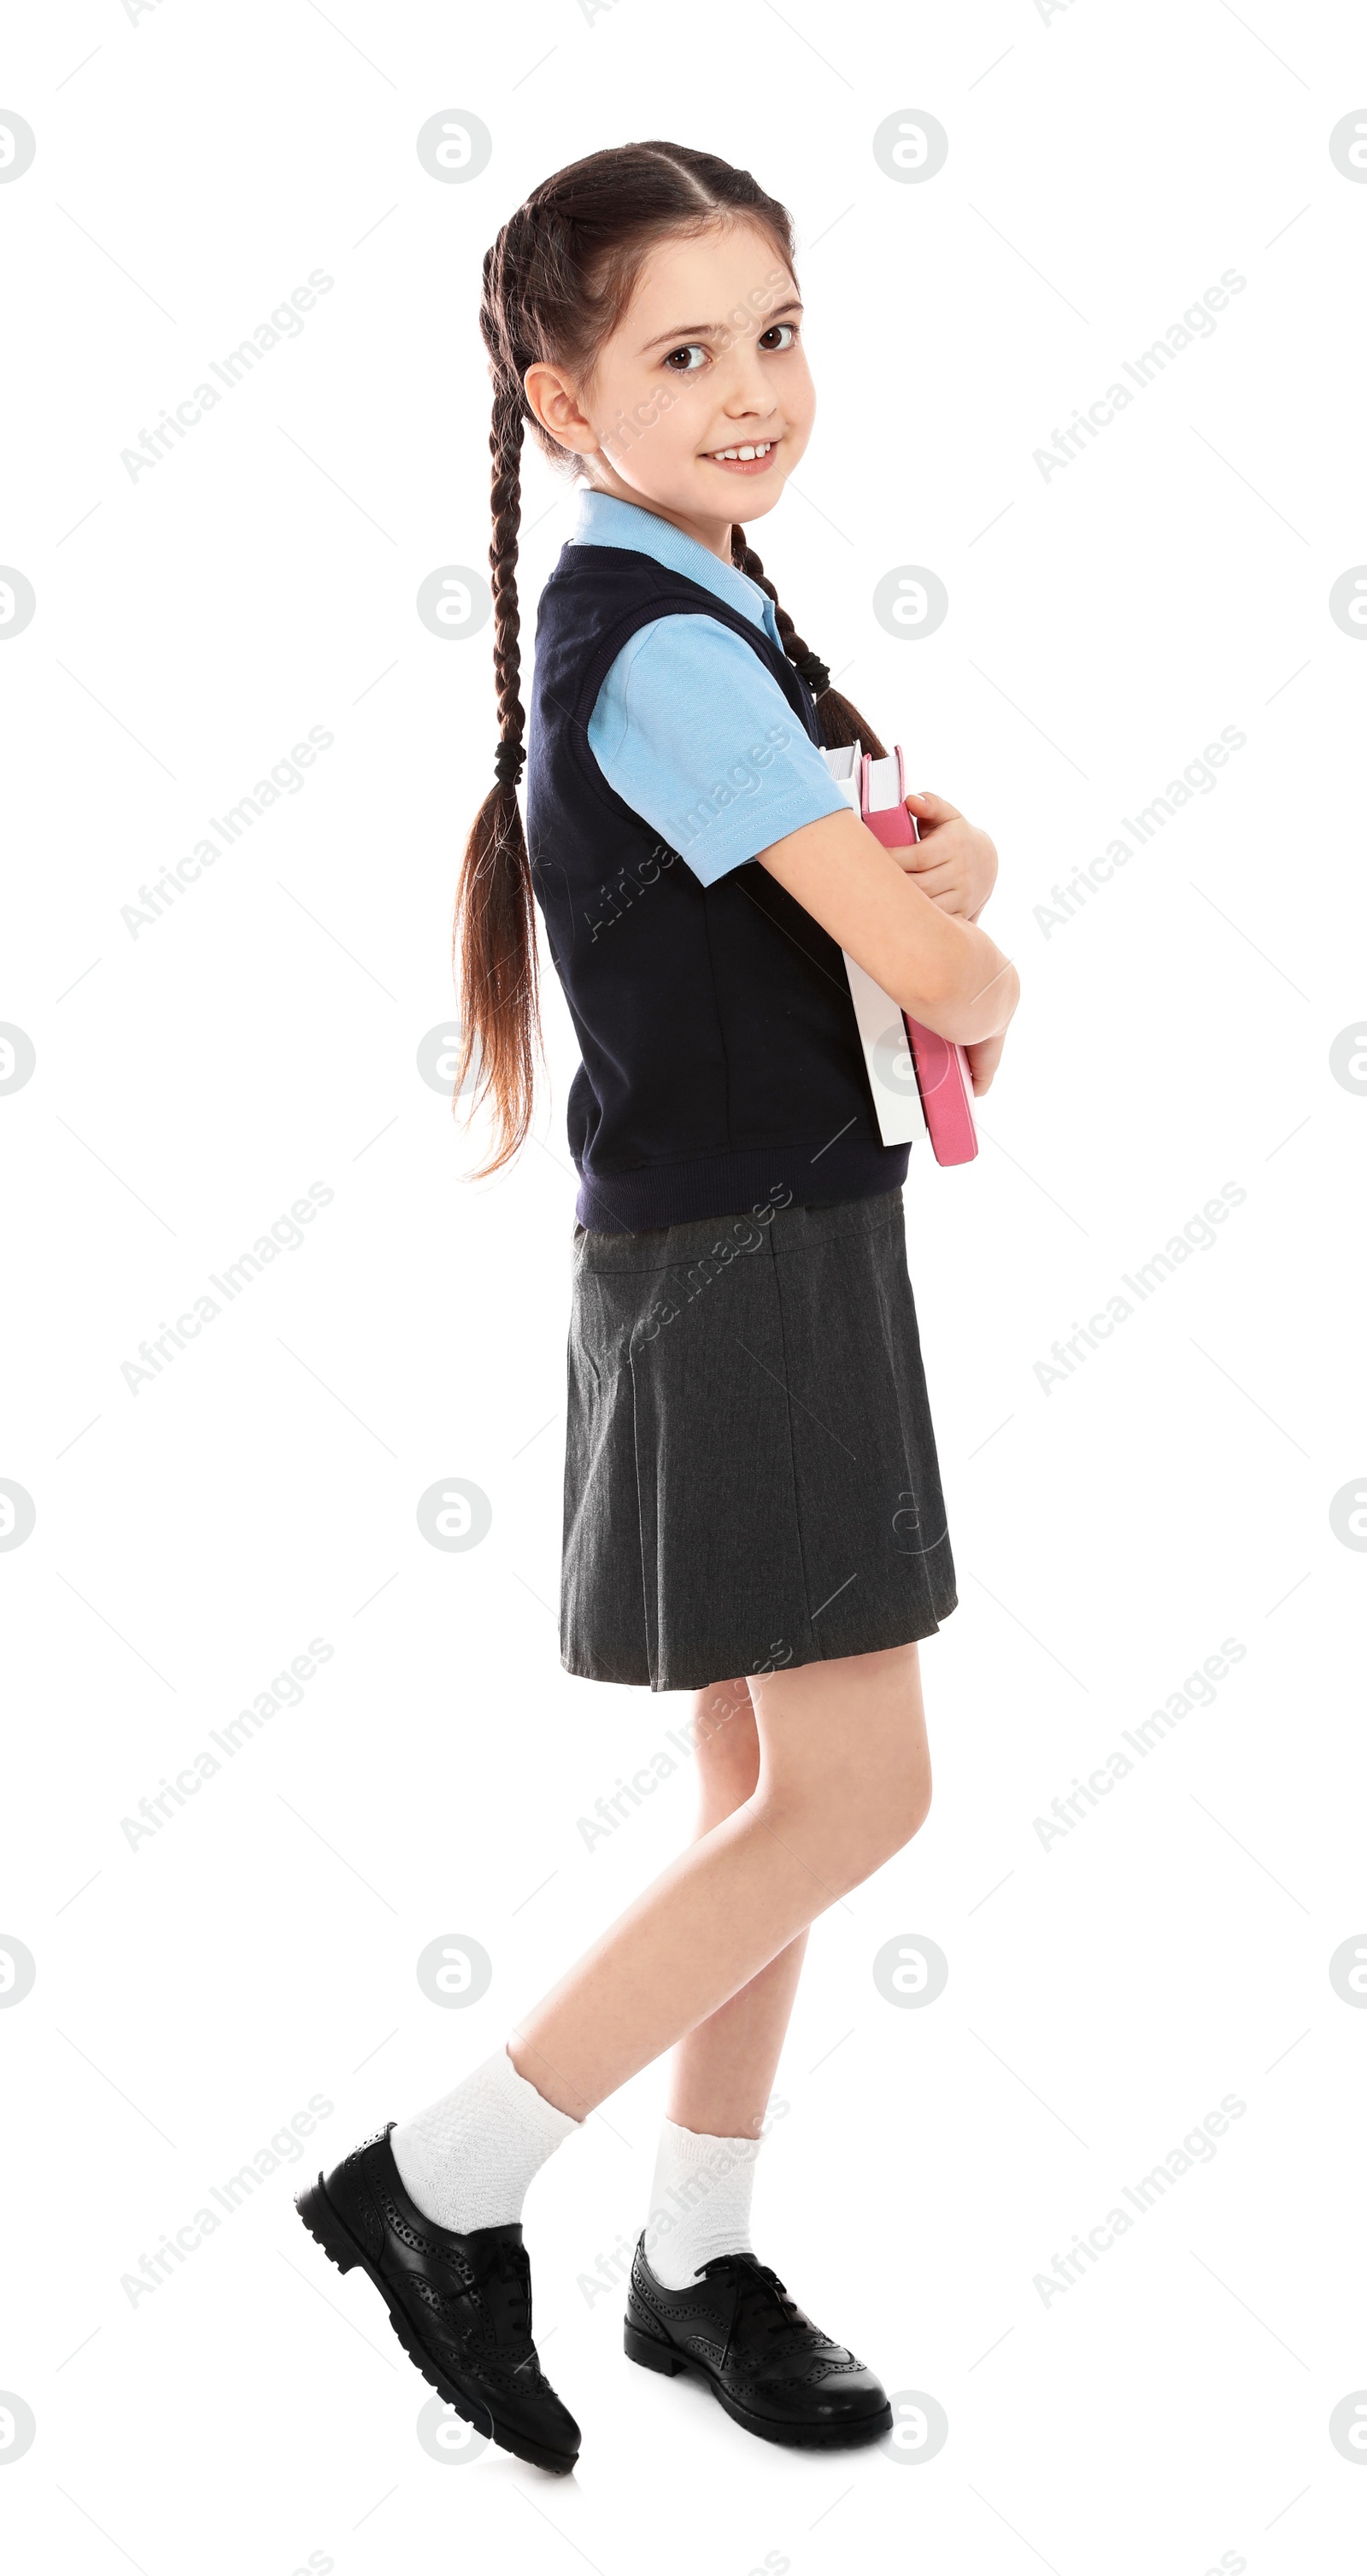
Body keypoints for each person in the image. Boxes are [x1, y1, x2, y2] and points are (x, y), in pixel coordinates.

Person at [297, 139, 1018, 2475]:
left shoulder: (680, 598)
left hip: (730, 1252)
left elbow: (857, 870)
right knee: (858, 1789)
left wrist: (936, 877)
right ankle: (446, 2183)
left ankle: (694, 2256)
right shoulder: (668, 642)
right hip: (756, 1273)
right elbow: (918, 956)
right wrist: (986, 948)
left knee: (759, 1790)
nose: (751, 390)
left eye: (779, 334)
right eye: (684, 353)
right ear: (555, 392)